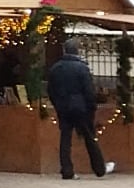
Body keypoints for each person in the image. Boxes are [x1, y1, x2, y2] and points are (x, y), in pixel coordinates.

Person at [45, 39, 110, 177]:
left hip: (63, 107)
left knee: (65, 139)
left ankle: (67, 170)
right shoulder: (82, 68)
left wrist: (57, 104)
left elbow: (50, 90)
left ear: (65, 51)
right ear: (77, 51)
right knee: (89, 137)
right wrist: (92, 107)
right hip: (81, 108)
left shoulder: (56, 68)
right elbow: (88, 91)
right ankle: (99, 168)